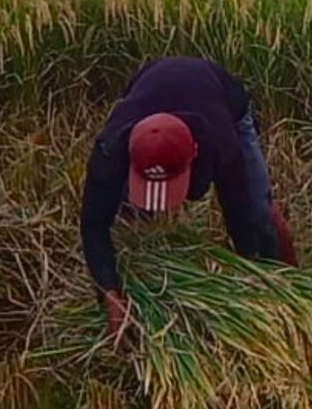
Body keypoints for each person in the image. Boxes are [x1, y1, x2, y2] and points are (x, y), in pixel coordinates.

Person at [80, 57, 297, 341]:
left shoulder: (222, 144)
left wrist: (253, 289)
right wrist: (109, 292)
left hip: (224, 98)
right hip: (150, 87)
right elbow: (93, 225)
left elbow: (240, 219)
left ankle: (293, 290)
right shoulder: (112, 149)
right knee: (127, 220)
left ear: (195, 155)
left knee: (258, 216)